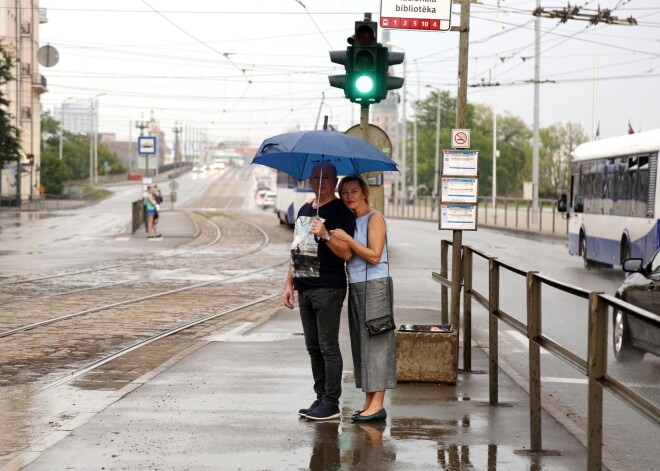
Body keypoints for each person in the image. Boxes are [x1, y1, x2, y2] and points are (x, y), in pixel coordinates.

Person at [283, 163, 356, 421]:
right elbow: (298, 248)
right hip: (305, 286)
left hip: (328, 286)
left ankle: (332, 402)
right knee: (313, 347)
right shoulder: (305, 209)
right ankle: (320, 397)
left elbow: (347, 253)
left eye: (326, 177)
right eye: (316, 177)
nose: (321, 181)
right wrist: (289, 283)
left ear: (334, 181)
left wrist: (325, 235)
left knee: (328, 346)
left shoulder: (341, 212)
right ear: (310, 180)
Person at [327, 174, 397, 422]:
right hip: (356, 285)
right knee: (362, 344)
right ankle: (369, 401)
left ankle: (378, 404)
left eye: (353, 191)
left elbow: (374, 255)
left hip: (375, 285)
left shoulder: (374, 218)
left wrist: (347, 239)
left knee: (377, 342)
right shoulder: (349, 219)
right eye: (344, 192)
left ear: (364, 193)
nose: (348, 196)